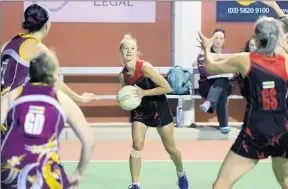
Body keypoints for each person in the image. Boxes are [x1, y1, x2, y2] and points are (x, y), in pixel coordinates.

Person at [198, 16, 288, 189]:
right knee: (285, 181)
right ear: (277, 37)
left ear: (256, 38)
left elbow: (210, 66)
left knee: (221, 184)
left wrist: (207, 48)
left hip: (255, 132)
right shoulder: (286, 61)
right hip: (283, 132)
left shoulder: (245, 59)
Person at [1, 49, 95, 189]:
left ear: (31, 72)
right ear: (53, 73)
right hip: (42, 166)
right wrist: (78, 173)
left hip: (9, 165)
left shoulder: (13, 95)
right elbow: (89, 142)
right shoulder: (62, 100)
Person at [1, 3, 95, 137]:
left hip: (3, 110)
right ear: (46, 25)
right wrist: (80, 99)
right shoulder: (39, 49)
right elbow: (54, 82)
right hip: (17, 113)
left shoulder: (9, 43)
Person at [117, 34, 188, 189]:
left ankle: (181, 173)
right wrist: (123, 102)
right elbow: (127, 95)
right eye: (125, 48)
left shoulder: (145, 67)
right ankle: (135, 184)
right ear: (120, 52)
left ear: (137, 52)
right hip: (140, 111)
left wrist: (144, 93)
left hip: (158, 108)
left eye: (132, 48)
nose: (129, 51)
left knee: (171, 148)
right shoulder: (122, 76)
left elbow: (167, 88)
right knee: (137, 144)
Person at [197, 29, 237, 134]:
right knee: (221, 89)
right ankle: (224, 125)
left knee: (222, 81)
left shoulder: (228, 54)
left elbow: (236, 72)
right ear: (211, 39)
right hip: (207, 86)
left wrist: (222, 72)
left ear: (224, 40)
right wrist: (223, 71)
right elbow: (204, 71)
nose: (218, 40)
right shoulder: (204, 53)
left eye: (221, 38)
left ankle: (209, 103)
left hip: (225, 84)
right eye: (216, 38)